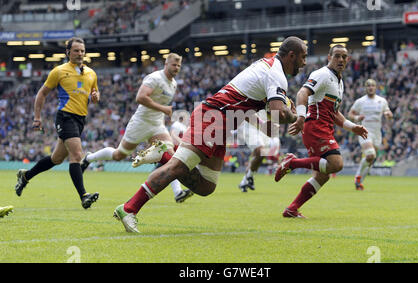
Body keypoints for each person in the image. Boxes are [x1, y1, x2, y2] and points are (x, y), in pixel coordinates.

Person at [113, 36, 307, 233]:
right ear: (291, 55)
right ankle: (129, 209)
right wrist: (295, 117)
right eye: (302, 57)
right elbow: (279, 113)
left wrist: (276, 113)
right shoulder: (276, 74)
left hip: (222, 120)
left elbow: (252, 111)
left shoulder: (267, 66)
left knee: (207, 186)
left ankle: (165, 153)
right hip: (213, 117)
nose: (304, 62)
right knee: (177, 167)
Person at [81, 53, 193, 203]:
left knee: (171, 156)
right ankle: (89, 158)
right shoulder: (155, 78)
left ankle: (178, 192)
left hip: (157, 124)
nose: (177, 68)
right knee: (119, 154)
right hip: (141, 123)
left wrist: (162, 111)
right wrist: (164, 108)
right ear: (166, 64)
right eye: (174, 65)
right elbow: (140, 97)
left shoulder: (173, 84)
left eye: (179, 65)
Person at [274, 44, 368, 218]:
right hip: (315, 126)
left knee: (323, 176)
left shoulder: (339, 82)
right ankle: (292, 163)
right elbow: (302, 93)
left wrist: (351, 126)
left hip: (324, 127)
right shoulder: (322, 74)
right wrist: (301, 117)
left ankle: (291, 209)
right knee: (336, 164)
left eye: (344, 57)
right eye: (337, 56)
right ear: (329, 58)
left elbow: (334, 113)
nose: (341, 60)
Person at [14, 37, 100, 209]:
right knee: (76, 155)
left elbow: (95, 95)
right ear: (68, 52)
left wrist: (96, 98)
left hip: (80, 119)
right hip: (65, 117)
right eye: (76, 50)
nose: (80, 54)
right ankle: (84, 196)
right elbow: (42, 94)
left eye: (82, 51)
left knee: (56, 159)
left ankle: (25, 176)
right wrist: (37, 118)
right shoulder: (59, 71)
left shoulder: (91, 73)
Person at [348, 79, 393, 190]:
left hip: (377, 133)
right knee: (370, 154)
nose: (370, 87)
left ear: (376, 87)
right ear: (365, 88)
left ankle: (359, 181)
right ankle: (358, 176)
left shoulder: (381, 101)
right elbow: (350, 114)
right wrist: (357, 118)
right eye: (368, 86)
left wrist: (388, 114)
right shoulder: (360, 101)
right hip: (365, 131)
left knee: (371, 160)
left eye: (372, 85)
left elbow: (388, 113)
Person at [237, 112, 280, 192]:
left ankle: (245, 180)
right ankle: (249, 177)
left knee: (259, 156)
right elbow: (247, 112)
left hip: (262, 129)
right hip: (250, 127)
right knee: (260, 151)